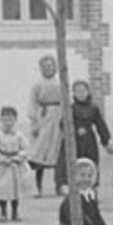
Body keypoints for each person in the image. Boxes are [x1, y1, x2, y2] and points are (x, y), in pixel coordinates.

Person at [27, 55, 67, 195]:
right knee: (39, 153)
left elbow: (67, 100)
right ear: (41, 68)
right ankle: (38, 187)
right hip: (43, 117)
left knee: (58, 152)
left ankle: (59, 185)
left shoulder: (61, 82)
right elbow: (32, 103)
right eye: (45, 66)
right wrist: (34, 123)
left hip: (58, 117)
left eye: (50, 66)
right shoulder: (37, 84)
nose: (48, 69)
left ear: (55, 67)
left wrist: (66, 118)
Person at [0, 106, 30, 222]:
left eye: (10, 120)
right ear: (0, 120)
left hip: (15, 165)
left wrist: (18, 157)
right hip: (2, 166)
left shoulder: (19, 135)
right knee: (2, 189)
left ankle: (15, 211)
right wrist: (1, 158)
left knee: (15, 190)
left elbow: (26, 148)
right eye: (5, 120)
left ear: (15, 120)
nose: (8, 123)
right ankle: (3, 211)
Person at [69, 80, 111, 177]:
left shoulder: (93, 108)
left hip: (89, 140)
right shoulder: (70, 109)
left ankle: (92, 182)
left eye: (83, 91)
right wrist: (75, 129)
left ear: (87, 92)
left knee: (91, 161)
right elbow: (63, 124)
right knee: (76, 163)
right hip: (75, 141)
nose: (80, 94)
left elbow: (100, 125)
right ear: (74, 93)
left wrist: (106, 141)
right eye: (77, 91)